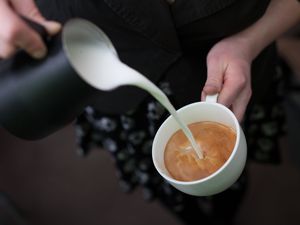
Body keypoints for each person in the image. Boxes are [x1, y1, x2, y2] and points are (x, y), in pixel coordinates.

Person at [0, 0, 300, 225]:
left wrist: (248, 41)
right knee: (168, 189)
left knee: (234, 177)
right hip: (106, 82)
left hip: (233, 78)